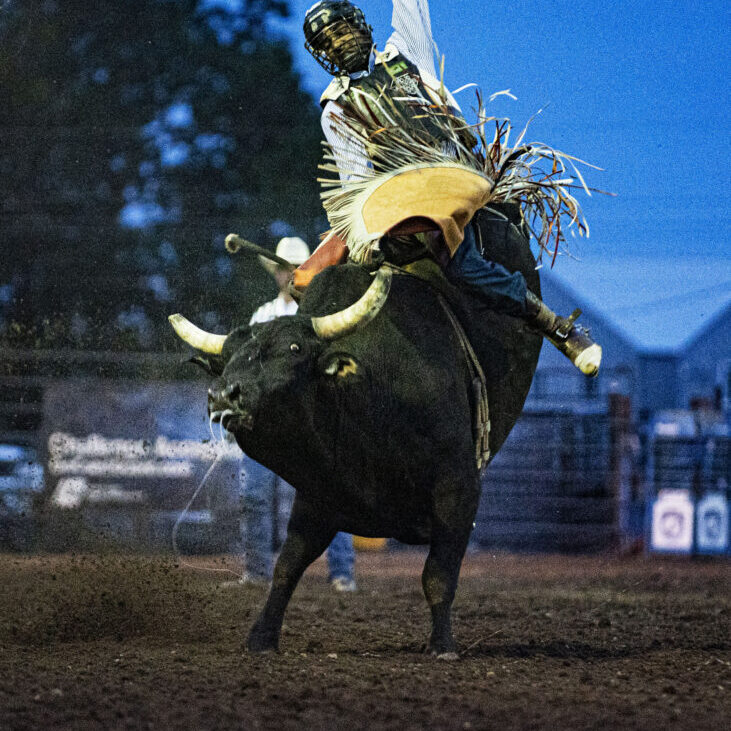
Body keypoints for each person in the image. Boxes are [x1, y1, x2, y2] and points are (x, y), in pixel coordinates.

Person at [301, 0, 602, 377]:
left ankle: (554, 325)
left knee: (461, 265)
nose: (341, 41)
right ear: (322, 54)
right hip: (401, 204)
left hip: (457, 175)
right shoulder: (336, 108)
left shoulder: (404, 51)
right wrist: (366, 240)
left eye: (344, 28)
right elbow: (355, 180)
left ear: (362, 26)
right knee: (316, 279)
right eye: (330, 40)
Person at [229, 236, 357, 592]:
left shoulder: (318, 316)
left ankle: (342, 572)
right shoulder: (263, 316)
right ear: (277, 273)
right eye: (285, 268)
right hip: (266, 426)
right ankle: (256, 573)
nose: (290, 275)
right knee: (254, 495)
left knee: (332, 495)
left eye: (297, 268)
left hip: (309, 425)